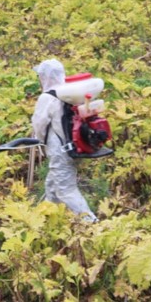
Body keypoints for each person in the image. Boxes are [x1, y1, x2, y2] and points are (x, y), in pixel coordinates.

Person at [31, 59, 97, 221]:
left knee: (65, 190)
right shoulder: (71, 93)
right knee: (53, 186)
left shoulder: (48, 97)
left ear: (44, 77)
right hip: (75, 147)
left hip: (60, 151)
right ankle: (45, 220)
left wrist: (39, 141)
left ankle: (92, 224)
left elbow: (39, 125)